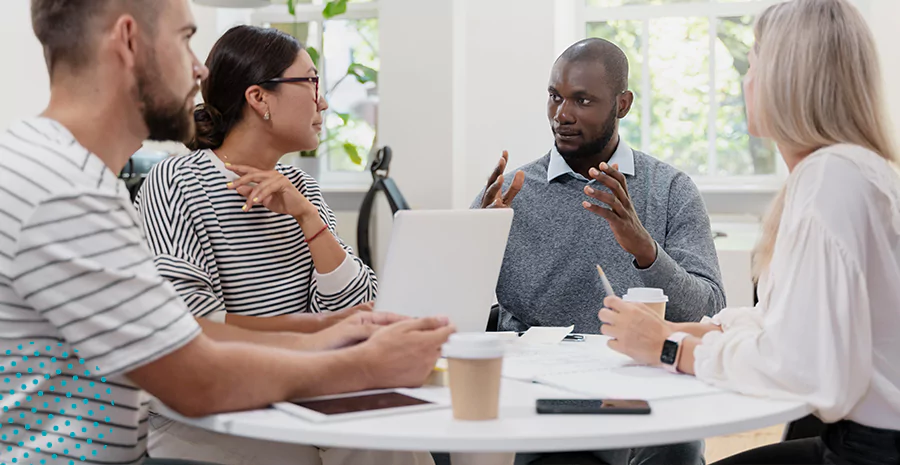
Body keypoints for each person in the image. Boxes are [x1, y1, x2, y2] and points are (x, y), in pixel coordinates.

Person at [0, 1, 454, 465]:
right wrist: (361, 363)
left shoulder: (70, 177)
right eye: (184, 39)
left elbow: (184, 333)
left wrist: (332, 329)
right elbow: (195, 375)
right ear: (129, 40)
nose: (199, 70)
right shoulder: (63, 192)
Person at [598, 1, 900, 464]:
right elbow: (790, 324)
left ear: (787, 78)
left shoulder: (831, 181)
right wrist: (687, 330)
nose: (745, 80)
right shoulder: (851, 171)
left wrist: (668, 348)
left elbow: (805, 369)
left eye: (755, 62)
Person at [131, 24, 435, 465]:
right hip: (216, 411)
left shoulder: (302, 190)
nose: (324, 102)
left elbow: (354, 306)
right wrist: (318, 337)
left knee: (391, 440)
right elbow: (194, 323)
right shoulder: (179, 181)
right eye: (311, 82)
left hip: (301, 390)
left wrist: (309, 220)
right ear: (260, 99)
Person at [472, 38, 723, 465]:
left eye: (582, 100)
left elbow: (706, 311)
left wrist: (645, 249)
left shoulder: (669, 190)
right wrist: (475, 240)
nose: (561, 114)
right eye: (555, 96)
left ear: (622, 104)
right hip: (541, 394)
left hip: (640, 387)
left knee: (675, 451)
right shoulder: (510, 193)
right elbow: (456, 314)